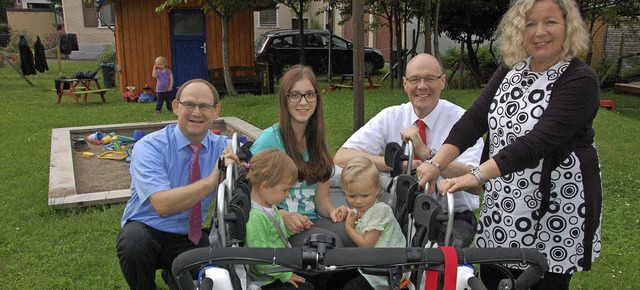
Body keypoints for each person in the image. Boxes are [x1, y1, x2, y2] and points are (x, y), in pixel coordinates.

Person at [415, 0, 602, 289]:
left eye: (550, 21)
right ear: (519, 30)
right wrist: (435, 163)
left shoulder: (580, 79)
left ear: (568, 26)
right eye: (530, 23)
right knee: (494, 273)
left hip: (553, 203)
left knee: (539, 278)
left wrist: (474, 175)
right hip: (505, 197)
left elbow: (536, 143)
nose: (539, 32)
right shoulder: (510, 70)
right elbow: (474, 120)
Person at [333, 53, 484, 248]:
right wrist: (395, 163)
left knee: (435, 265)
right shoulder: (392, 116)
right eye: (414, 80)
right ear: (405, 83)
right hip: (400, 212)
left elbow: (476, 183)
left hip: (450, 216)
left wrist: (428, 155)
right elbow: (342, 156)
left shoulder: (463, 121)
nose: (422, 86)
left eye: (430, 78)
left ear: (443, 81)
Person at [116, 79, 234, 290]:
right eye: (189, 105)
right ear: (175, 107)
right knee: (134, 244)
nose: (196, 112)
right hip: (147, 229)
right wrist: (212, 180)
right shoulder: (149, 147)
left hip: (190, 235)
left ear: (216, 111)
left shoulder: (224, 147)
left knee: (221, 276)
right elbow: (162, 205)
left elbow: (259, 161)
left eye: (204, 106)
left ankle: (175, 274)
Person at [250, 64, 354, 248]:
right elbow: (251, 199)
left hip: (311, 222)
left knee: (354, 234)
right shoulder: (268, 141)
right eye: (295, 95)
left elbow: (321, 200)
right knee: (329, 245)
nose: (303, 102)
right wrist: (284, 216)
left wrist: (333, 211)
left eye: (310, 94)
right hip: (276, 226)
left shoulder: (317, 142)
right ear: (285, 99)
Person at [332, 157, 405, 290]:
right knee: (334, 278)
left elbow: (366, 245)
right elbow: (356, 215)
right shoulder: (364, 208)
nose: (358, 201)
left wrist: (349, 227)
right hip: (370, 264)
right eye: (352, 196)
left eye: (364, 196)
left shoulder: (380, 210)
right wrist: (345, 211)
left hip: (386, 271)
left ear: (377, 189)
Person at [245, 149, 313, 290]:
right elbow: (260, 258)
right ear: (265, 186)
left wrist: (293, 228)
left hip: (279, 266)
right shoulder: (256, 218)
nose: (287, 194)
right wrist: (286, 276)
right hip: (267, 279)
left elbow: (274, 234)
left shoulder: (269, 206)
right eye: (285, 190)